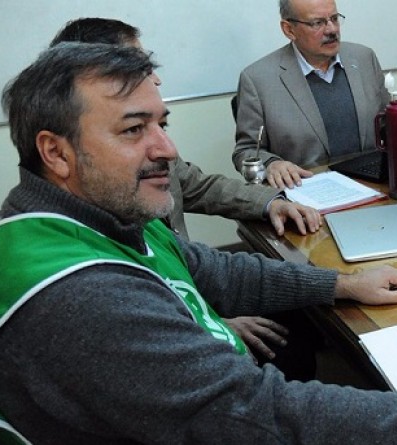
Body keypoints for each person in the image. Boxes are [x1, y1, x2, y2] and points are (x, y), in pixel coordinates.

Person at [0, 43, 397, 445]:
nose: (167, 149)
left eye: (161, 124)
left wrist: (342, 283)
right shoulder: (83, 298)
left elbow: (209, 270)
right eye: (133, 129)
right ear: (56, 152)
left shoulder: (91, 216)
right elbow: (254, 415)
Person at [50, 17, 322, 378]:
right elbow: (147, 302)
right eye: (141, 67)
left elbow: (198, 187)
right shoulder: (95, 205)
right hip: (185, 318)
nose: (156, 79)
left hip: (192, 290)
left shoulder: (145, 148)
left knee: (297, 312)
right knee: (292, 345)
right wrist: (213, 321)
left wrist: (270, 201)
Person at [232, 0, 391, 189]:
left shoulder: (364, 58)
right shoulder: (258, 79)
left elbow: (389, 124)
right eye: (317, 23)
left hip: (373, 186)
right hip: (305, 191)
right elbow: (246, 151)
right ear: (289, 30)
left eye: (334, 18)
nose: (332, 30)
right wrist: (271, 164)